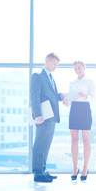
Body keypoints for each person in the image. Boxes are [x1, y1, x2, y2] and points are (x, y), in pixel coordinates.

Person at [30, 53, 66, 183]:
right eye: (53, 64)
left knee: (46, 145)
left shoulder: (50, 77)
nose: (55, 67)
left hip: (51, 116)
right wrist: (37, 115)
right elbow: (34, 97)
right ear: (47, 61)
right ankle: (37, 173)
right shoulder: (38, 76)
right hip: (43, 116)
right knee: (40, 144)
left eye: (57, 65)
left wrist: (60, 95)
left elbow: (49, 96)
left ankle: (43, 170)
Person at [63, 61, 95, 181]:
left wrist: (85, 96)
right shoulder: (72, 83)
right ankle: (75, 168)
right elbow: (70, 99)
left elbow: (94, 98)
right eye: (75, 69)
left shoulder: (90, 81)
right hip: (74, 109)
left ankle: (85, 169)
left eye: (79, 68)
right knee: (74, 141)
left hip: (85, 109)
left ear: (84, 68)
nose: (77, 70)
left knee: (86, 140)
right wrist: (66, 102)